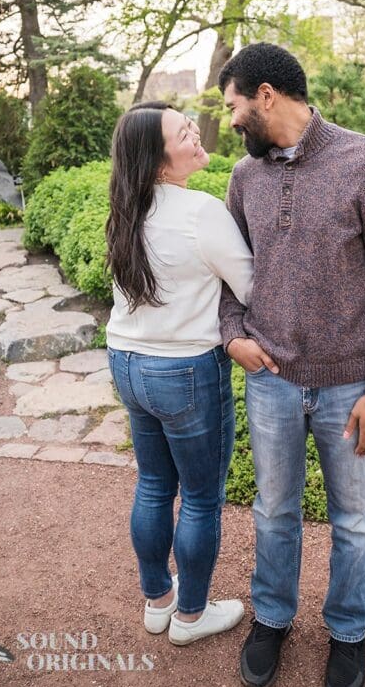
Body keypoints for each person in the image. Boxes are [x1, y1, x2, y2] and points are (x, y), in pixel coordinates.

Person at [217, 44, 365, 687]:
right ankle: (271, 619)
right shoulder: (245, 179)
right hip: (270, 380)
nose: (229, 121)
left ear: (265, 95)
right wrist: (232, 336)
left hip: (348, 388)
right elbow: (230, 273)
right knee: (273, 512)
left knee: (355, 520)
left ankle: (349, 631)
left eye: (232, 106)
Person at [105, 100, 254, 646]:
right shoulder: (201, 212)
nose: (197, 135)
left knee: (151, 486)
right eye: (184, 133)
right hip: (185, 370)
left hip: (126, 361)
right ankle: (191, 615)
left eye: (191, 126)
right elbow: (252, 289)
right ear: (158, 159)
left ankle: (157, 600)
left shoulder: (125, 208)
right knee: (199, 497)